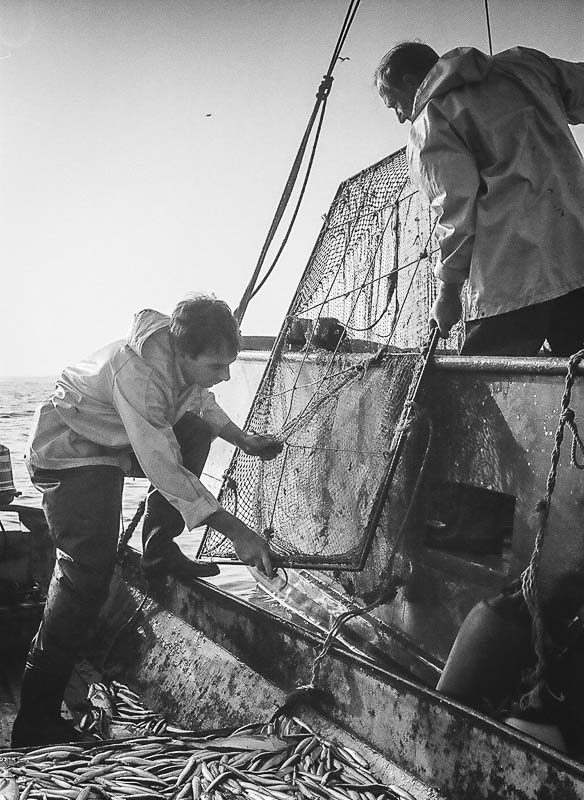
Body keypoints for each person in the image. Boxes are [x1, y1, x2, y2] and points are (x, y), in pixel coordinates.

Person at [12, 294, 283, 747]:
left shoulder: (179, 362)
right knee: (87, 577)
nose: (227, 374)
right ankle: (35, 718)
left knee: (195, 428)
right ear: (185, 352)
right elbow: (163, 466)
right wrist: (238, 532)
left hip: (111, 445)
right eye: (219, 365)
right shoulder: (137, 374)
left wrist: (246, 441)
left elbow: (202, 403)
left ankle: (160, 552)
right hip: (69, 452)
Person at [375, 41, 584, 356]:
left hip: (510, 282)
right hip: (577, 261)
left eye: (394, 106)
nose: (401, 117)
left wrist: (447, 294)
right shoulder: (526, 66)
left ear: (409, 83)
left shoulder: (431, 122)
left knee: (476, 396)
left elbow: (457, 217)